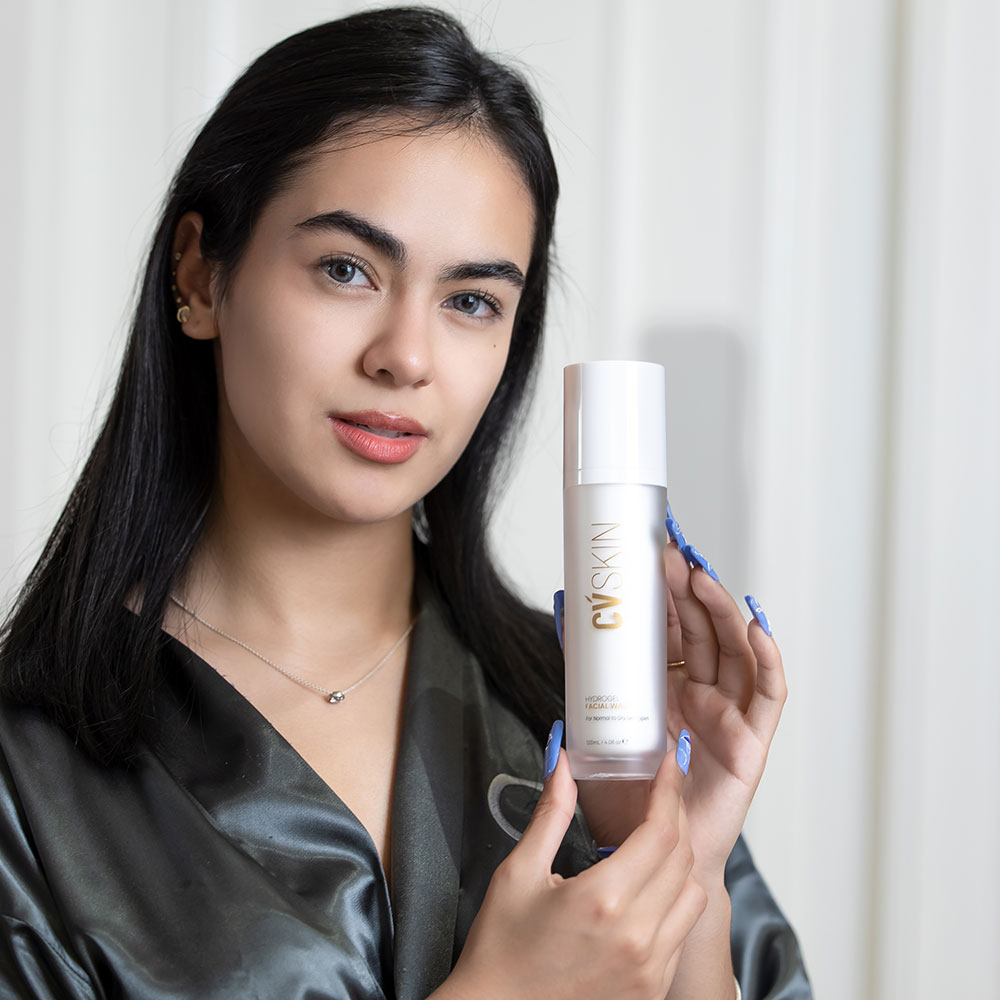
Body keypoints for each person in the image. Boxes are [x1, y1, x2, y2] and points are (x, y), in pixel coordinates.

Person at [0, 7, 812, 998]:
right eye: (346, 269)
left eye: (471, 301)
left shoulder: (585, 716)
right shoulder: (28, 785)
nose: (406, 356)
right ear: (201, 275)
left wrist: (684, 876)